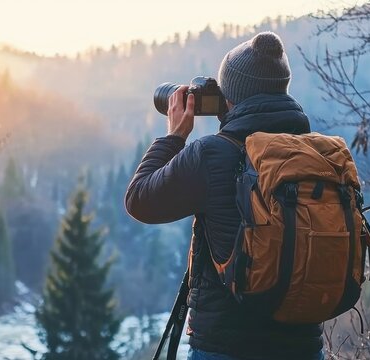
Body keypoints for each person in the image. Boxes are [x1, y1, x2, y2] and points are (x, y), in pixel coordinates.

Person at [125, 32, 323, 360]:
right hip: (303, 346)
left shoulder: (213, 154)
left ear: (230, 95)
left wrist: (174, 136)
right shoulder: (315, 153)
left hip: (226, 346)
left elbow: (139, 200)